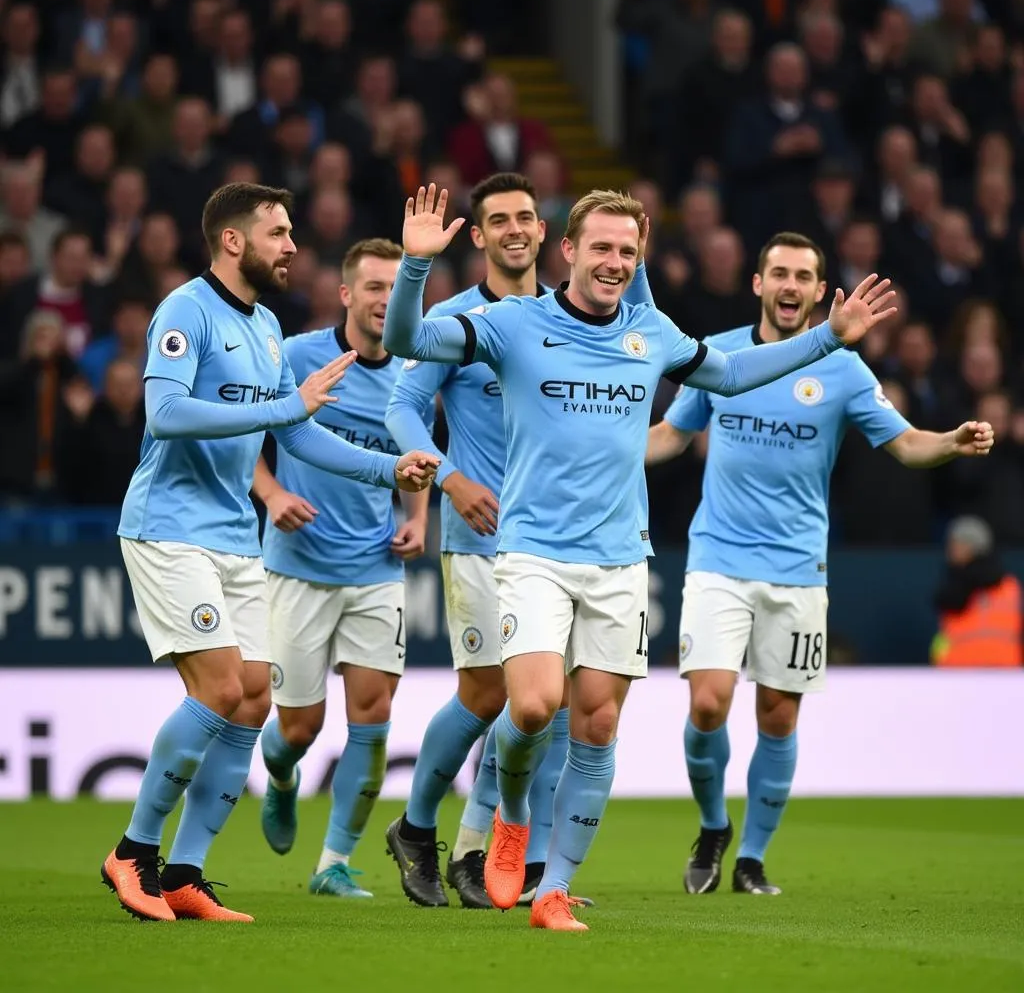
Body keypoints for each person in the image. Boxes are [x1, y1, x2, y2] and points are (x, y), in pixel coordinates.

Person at [383, 184, 896, 932]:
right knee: (529, 705)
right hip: (531, 554)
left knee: (594, 728)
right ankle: (513, 814)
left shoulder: (651, 332)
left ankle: (552, 889)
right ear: (570, 251)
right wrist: (414, 268)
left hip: (622, 563)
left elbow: (728, 373)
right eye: (601, 247)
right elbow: (405, 344)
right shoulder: (510, 323)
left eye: (628, 250)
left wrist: (830, 338)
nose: (614, 261)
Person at [103, 183, 438, 924]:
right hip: (169, 526)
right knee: (220, 689)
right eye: (279, 233)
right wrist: (286, 406)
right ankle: (133, 852)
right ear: (233, 240)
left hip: (229, 536)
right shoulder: (186, 309)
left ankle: (187, 872)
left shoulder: (264, 327)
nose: (292, 246)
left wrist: (390, 470)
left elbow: (301, 435)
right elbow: (163, 412)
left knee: (256, 696)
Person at [645, 231, 994, 897]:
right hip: (718, 556)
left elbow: (907, 445)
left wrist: (950, 440)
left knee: (778, 715)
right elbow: (671, 434)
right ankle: (714, 825)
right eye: (778, 272)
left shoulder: (844, 369)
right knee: (710, 702)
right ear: (757, 283)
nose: (789, 285)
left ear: (817, 290)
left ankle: (751, 858)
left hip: (798, 568)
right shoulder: (719, 356)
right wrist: (598, 453)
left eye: (803, 276)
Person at [384, 173, 604, 910]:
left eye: (525, 217)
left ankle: (518, 861)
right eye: (498, 220)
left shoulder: (575, 318)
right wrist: (449, 481)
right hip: (482, 538)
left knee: (557, 708)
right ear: (476, 236)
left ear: (545, 233)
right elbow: (404, 410)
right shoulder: (452, 320)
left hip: (563, 542)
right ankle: (418, 829)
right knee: (487, 694)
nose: (514, 229)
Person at [255, 238, 432, 898]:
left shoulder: (414, 372)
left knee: (373, 713)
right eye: (375, 287)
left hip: (376, 569)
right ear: (347, 294)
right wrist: (272, 496)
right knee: (299, 728)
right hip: (298, 567)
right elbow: (243, 437)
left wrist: (417, 517)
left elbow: (416, 457)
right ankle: (280, 776)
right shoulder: (298, 356)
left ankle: (332, 863)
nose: (387, 300)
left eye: (397, 288)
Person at [932, 516, 1021, 667]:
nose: (951, 550)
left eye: (956, 544)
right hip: (1001, 672)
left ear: (971, 547)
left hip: (983, 674)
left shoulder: (1009, 587)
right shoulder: (1011, 586)